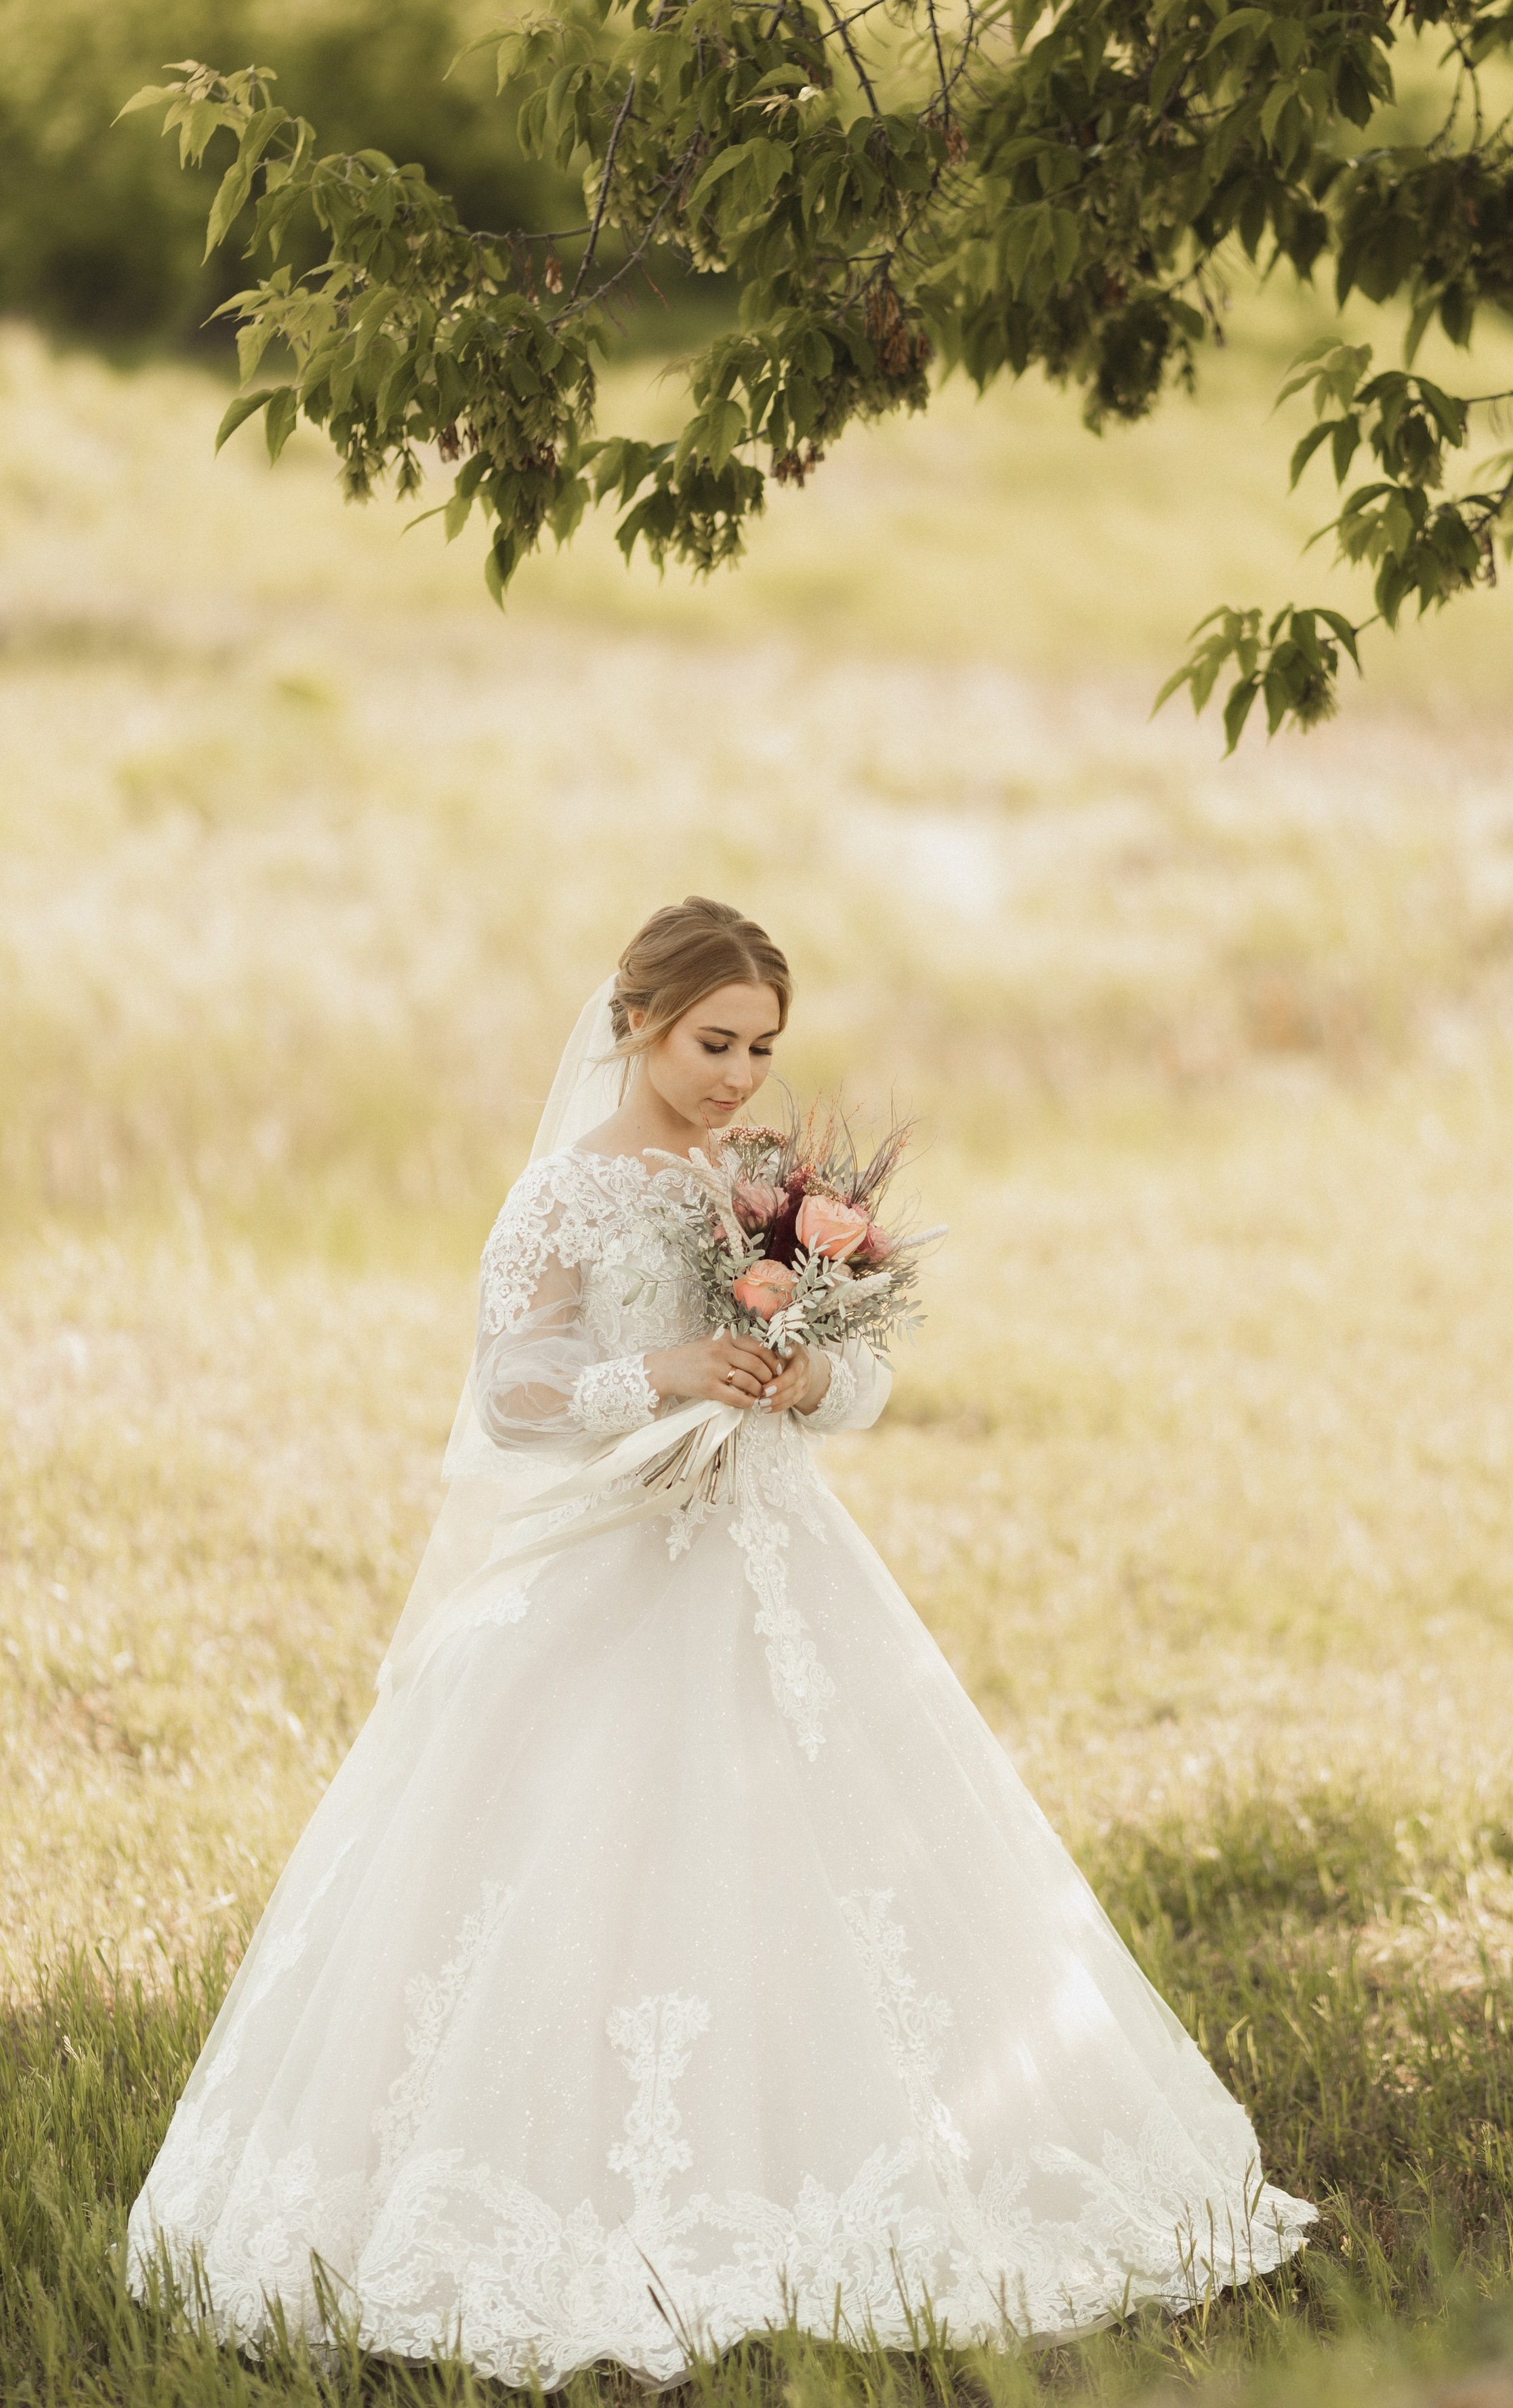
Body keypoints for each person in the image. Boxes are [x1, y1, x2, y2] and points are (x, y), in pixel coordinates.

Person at [128, 895, 1313, 2385]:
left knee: (840, 1844)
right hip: (617, 1565)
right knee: (588, 1847)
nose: (737, 1074)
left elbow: (864, 1380)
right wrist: (664, 1369)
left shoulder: (763, 1184)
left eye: (760, 1046)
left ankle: (872, 2151)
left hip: (779, 1559)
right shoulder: (565, 1190)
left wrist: (806, 1371)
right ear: (633, 1020)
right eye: (710, 1041)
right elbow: (511, 1396)